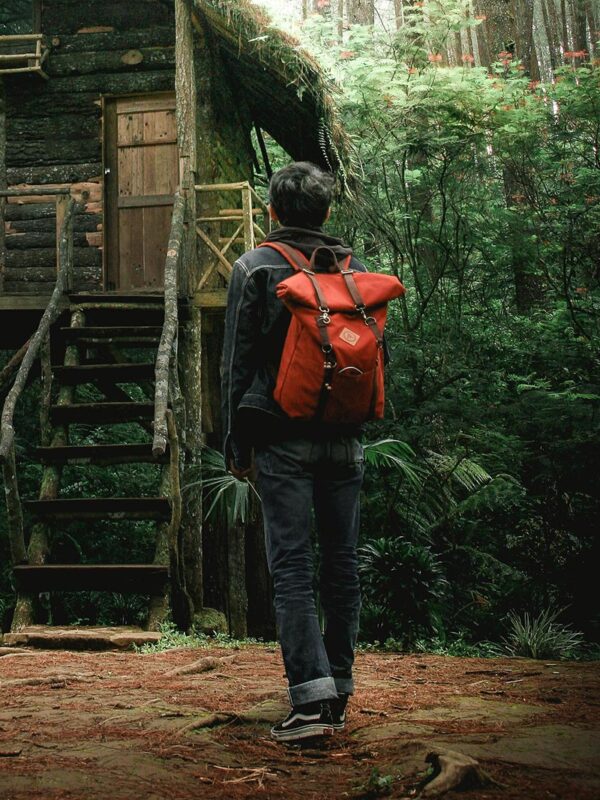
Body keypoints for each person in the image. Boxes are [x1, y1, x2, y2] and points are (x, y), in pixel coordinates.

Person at [221, 161, 366, 742]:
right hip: (347, 441)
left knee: (293, 570)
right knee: (342, 565)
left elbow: (236, 363)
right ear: (327, 212)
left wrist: (237, 444)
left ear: (272, 211)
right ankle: (340, 687)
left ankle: (310, 702)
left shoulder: (254, 266)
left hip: (282, 441)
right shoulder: (352, 270)